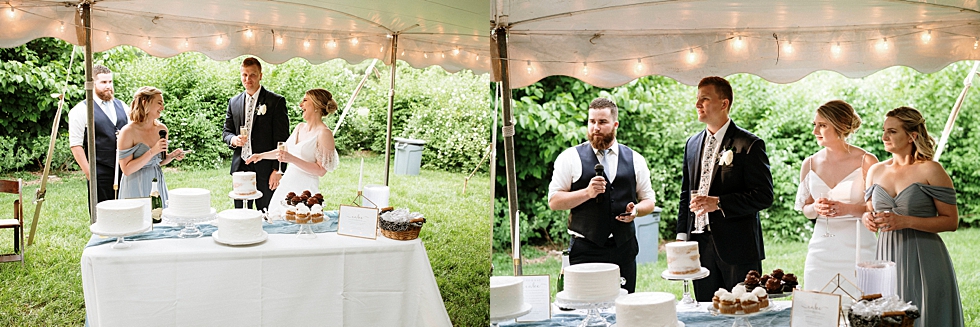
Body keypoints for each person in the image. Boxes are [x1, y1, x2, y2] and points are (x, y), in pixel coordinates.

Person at [863, 107, 963, 327]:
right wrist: (866, 218)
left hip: (924, 256)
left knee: (926, 315)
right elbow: (869, 209)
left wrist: (905, 221)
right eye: (884, 130)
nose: (884, 137)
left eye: (892, 131)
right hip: (886, 257)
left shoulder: (931, 169)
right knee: (889, 316)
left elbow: (951, 221)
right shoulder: (875, 171)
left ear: (912, 135)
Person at [676, 76, 773, 302]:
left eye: (705, 99)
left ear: (724, 103)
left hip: (737, 247)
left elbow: (764, 196)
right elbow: (685, 194)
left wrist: (718, 202)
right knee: (705, 311)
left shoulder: (749, 144)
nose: (698, 104)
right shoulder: (691, 144)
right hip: (699, 246)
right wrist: (682, 236)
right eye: (697, 99)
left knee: (743, 312)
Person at [547, 98, 657, 293]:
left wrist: (636, 211)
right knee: (584, 311)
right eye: (592, 122)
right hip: (585, 248)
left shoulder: (635, 159)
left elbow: (649, 200)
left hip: (624, 247)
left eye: (602, 122)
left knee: (624, 306)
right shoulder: (569, 157)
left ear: (615, 124)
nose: (596, 128)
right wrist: (587, 193)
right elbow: (554, 201)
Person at [794, 100, 878, 291]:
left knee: (861, 306)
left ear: (840, 126)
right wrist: (815, 208)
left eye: (822, 125)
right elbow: (806, 210)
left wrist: (845, 209)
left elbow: (875, 209)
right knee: (819, 306)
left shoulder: (867, 160)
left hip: (859, 246)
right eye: (814, 124)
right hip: (821, 249)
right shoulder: (809, 163)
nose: (815, 131)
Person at [247, 88, 340, 216]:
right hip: (287, 184)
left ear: (317, 105)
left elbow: (321, 170)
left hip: (305, 188)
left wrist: (291, 159)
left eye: (305, 100)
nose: (300, 104)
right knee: (275, 217)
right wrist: (261, 156)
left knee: (300, 220)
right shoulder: (300, 127)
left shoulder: (324, 133)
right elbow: (283, 151)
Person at [222, 57, 290, 211]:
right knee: (241, 213)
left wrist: (277, 170)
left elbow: (282, 140)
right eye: (244, 75)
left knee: (265, 212)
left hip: (266, 169)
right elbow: (226, 132)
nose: (248, 79)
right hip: (240, 167)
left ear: (260, 75)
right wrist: (233, 139)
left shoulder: (276, 102)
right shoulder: (234, 102)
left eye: (252, 74)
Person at [67, 64, 130, 204]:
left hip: (124, 169)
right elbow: (76, 145)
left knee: (126, 211)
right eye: (103, 82)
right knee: (102, 214)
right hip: (99, 171)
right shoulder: (80, 110)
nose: (108, 86)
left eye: (110, 82)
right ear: (92, 83)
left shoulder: (123, 106)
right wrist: (90, 173)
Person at [116, 86, 186, 205]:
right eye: (159, 103)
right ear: (145, 102)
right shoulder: (127, 132)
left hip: (156, 183)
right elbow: (126, 169)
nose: (162, 108)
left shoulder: (162, 129)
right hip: (134, 185)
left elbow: (158, 161)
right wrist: (153, 151)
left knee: (159, 218)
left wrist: (172, 156)